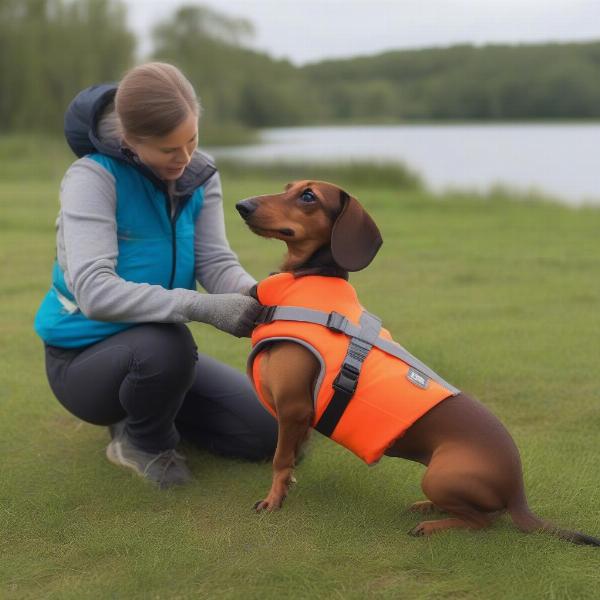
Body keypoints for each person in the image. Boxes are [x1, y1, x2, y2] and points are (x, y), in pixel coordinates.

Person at [34, 62, 277, 489]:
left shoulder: (199, 174)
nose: (184, 159)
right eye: (168, 149)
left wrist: (262, 296)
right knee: (167, 344)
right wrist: (203, 306)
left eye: (192, 140)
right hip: (83, 359)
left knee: (263, 434)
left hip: (159, 351)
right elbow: (94, 291)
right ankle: (142, 442)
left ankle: (151, 407)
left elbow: (215, 261)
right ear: (129, 140)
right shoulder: (93, 177)